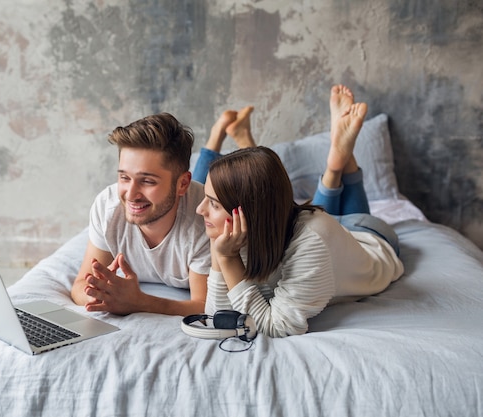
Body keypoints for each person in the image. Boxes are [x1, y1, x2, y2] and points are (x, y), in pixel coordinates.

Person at [195, 85, 404, 337]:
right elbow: (219, 318)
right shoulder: (236, 234)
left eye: (214, 203)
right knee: (318, 218)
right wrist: (221, 256)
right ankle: (338, 159)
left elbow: (277, 327)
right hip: (325, 233)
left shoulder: (312, 242)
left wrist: (227, 260)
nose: (199, 209)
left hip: (369, 236)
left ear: (252, 211)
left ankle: (338, 163)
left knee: (319, 225)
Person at [71, 113, 211, 316]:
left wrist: (139, 302)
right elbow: (80, 285)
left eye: (147, 181)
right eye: (124, 177)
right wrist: (103, 298)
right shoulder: (108, 207)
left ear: (182, 184)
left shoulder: (205, 219)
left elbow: (204, 306)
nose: (131, 194)